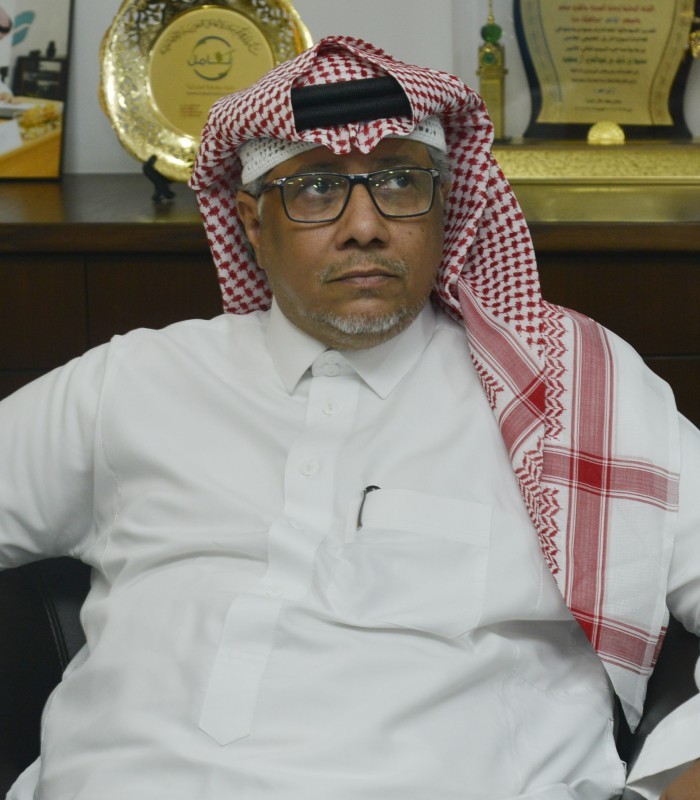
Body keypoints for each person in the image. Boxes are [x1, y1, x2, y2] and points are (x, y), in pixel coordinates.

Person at [1, 35, 699, 800]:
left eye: (400, 181)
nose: (364, 225)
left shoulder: (566, 391)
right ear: (252, 223)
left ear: (446, 205)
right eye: (315, 188)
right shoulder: (134, 382)